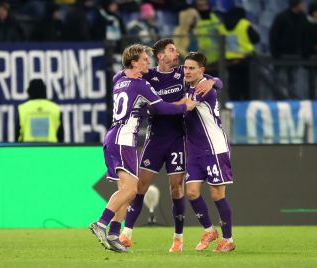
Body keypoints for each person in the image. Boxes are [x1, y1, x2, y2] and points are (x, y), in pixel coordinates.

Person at [89, 44, 197, 253]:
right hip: (124, 139)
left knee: (127, 191)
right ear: (134, 63)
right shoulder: (140, 84)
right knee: (130, 189)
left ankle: (113, 233)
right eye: (144, 59)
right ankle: (101, 224)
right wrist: (185, 106)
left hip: (112, 137)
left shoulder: (119, 79)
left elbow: (120, 74)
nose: (148, 62)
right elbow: (162, 108)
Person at [118, 38, 222, 252]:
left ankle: (178, 238)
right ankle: (126, 234)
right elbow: (121, 76)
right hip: (155, 139)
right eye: (172, 50)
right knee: (139, 187)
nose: (177, 53)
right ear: (161, 56)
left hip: (177, 139)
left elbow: (214, 80)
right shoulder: (148, 75)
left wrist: (213, 82)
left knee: (176, 189)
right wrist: (180, 104)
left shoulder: (182, 73)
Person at [182, 52, 235, 252]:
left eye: (191, 68)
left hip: (214, 148)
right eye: (185, 67)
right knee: (192, 192)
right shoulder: (192, 85)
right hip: (195, 150)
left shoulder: (204, 89)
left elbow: (184, 107)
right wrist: (216, 80)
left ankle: (228, 240)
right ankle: (210, 230)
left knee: (217, 195)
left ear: (201, 71)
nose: (186, 71)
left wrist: (154, 106)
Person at [218, 7, 260, 100]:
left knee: (234, 87)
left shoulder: (221, 27)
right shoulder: (244, 24)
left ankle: (235, 108)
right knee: (248, 87)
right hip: (246, 60)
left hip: (230, 62)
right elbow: (256, 39)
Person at [269, 0, 307, 99]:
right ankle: (277, 99)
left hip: (296, 55)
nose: (303, 6)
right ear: (296, 5)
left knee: (293, 80)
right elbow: (274, 35)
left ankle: (293, 99)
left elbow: (305, 35)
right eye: (301, 4)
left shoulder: (303, 17)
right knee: (279, 79)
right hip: (280, 55)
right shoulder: (282, 17)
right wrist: (275, 52)